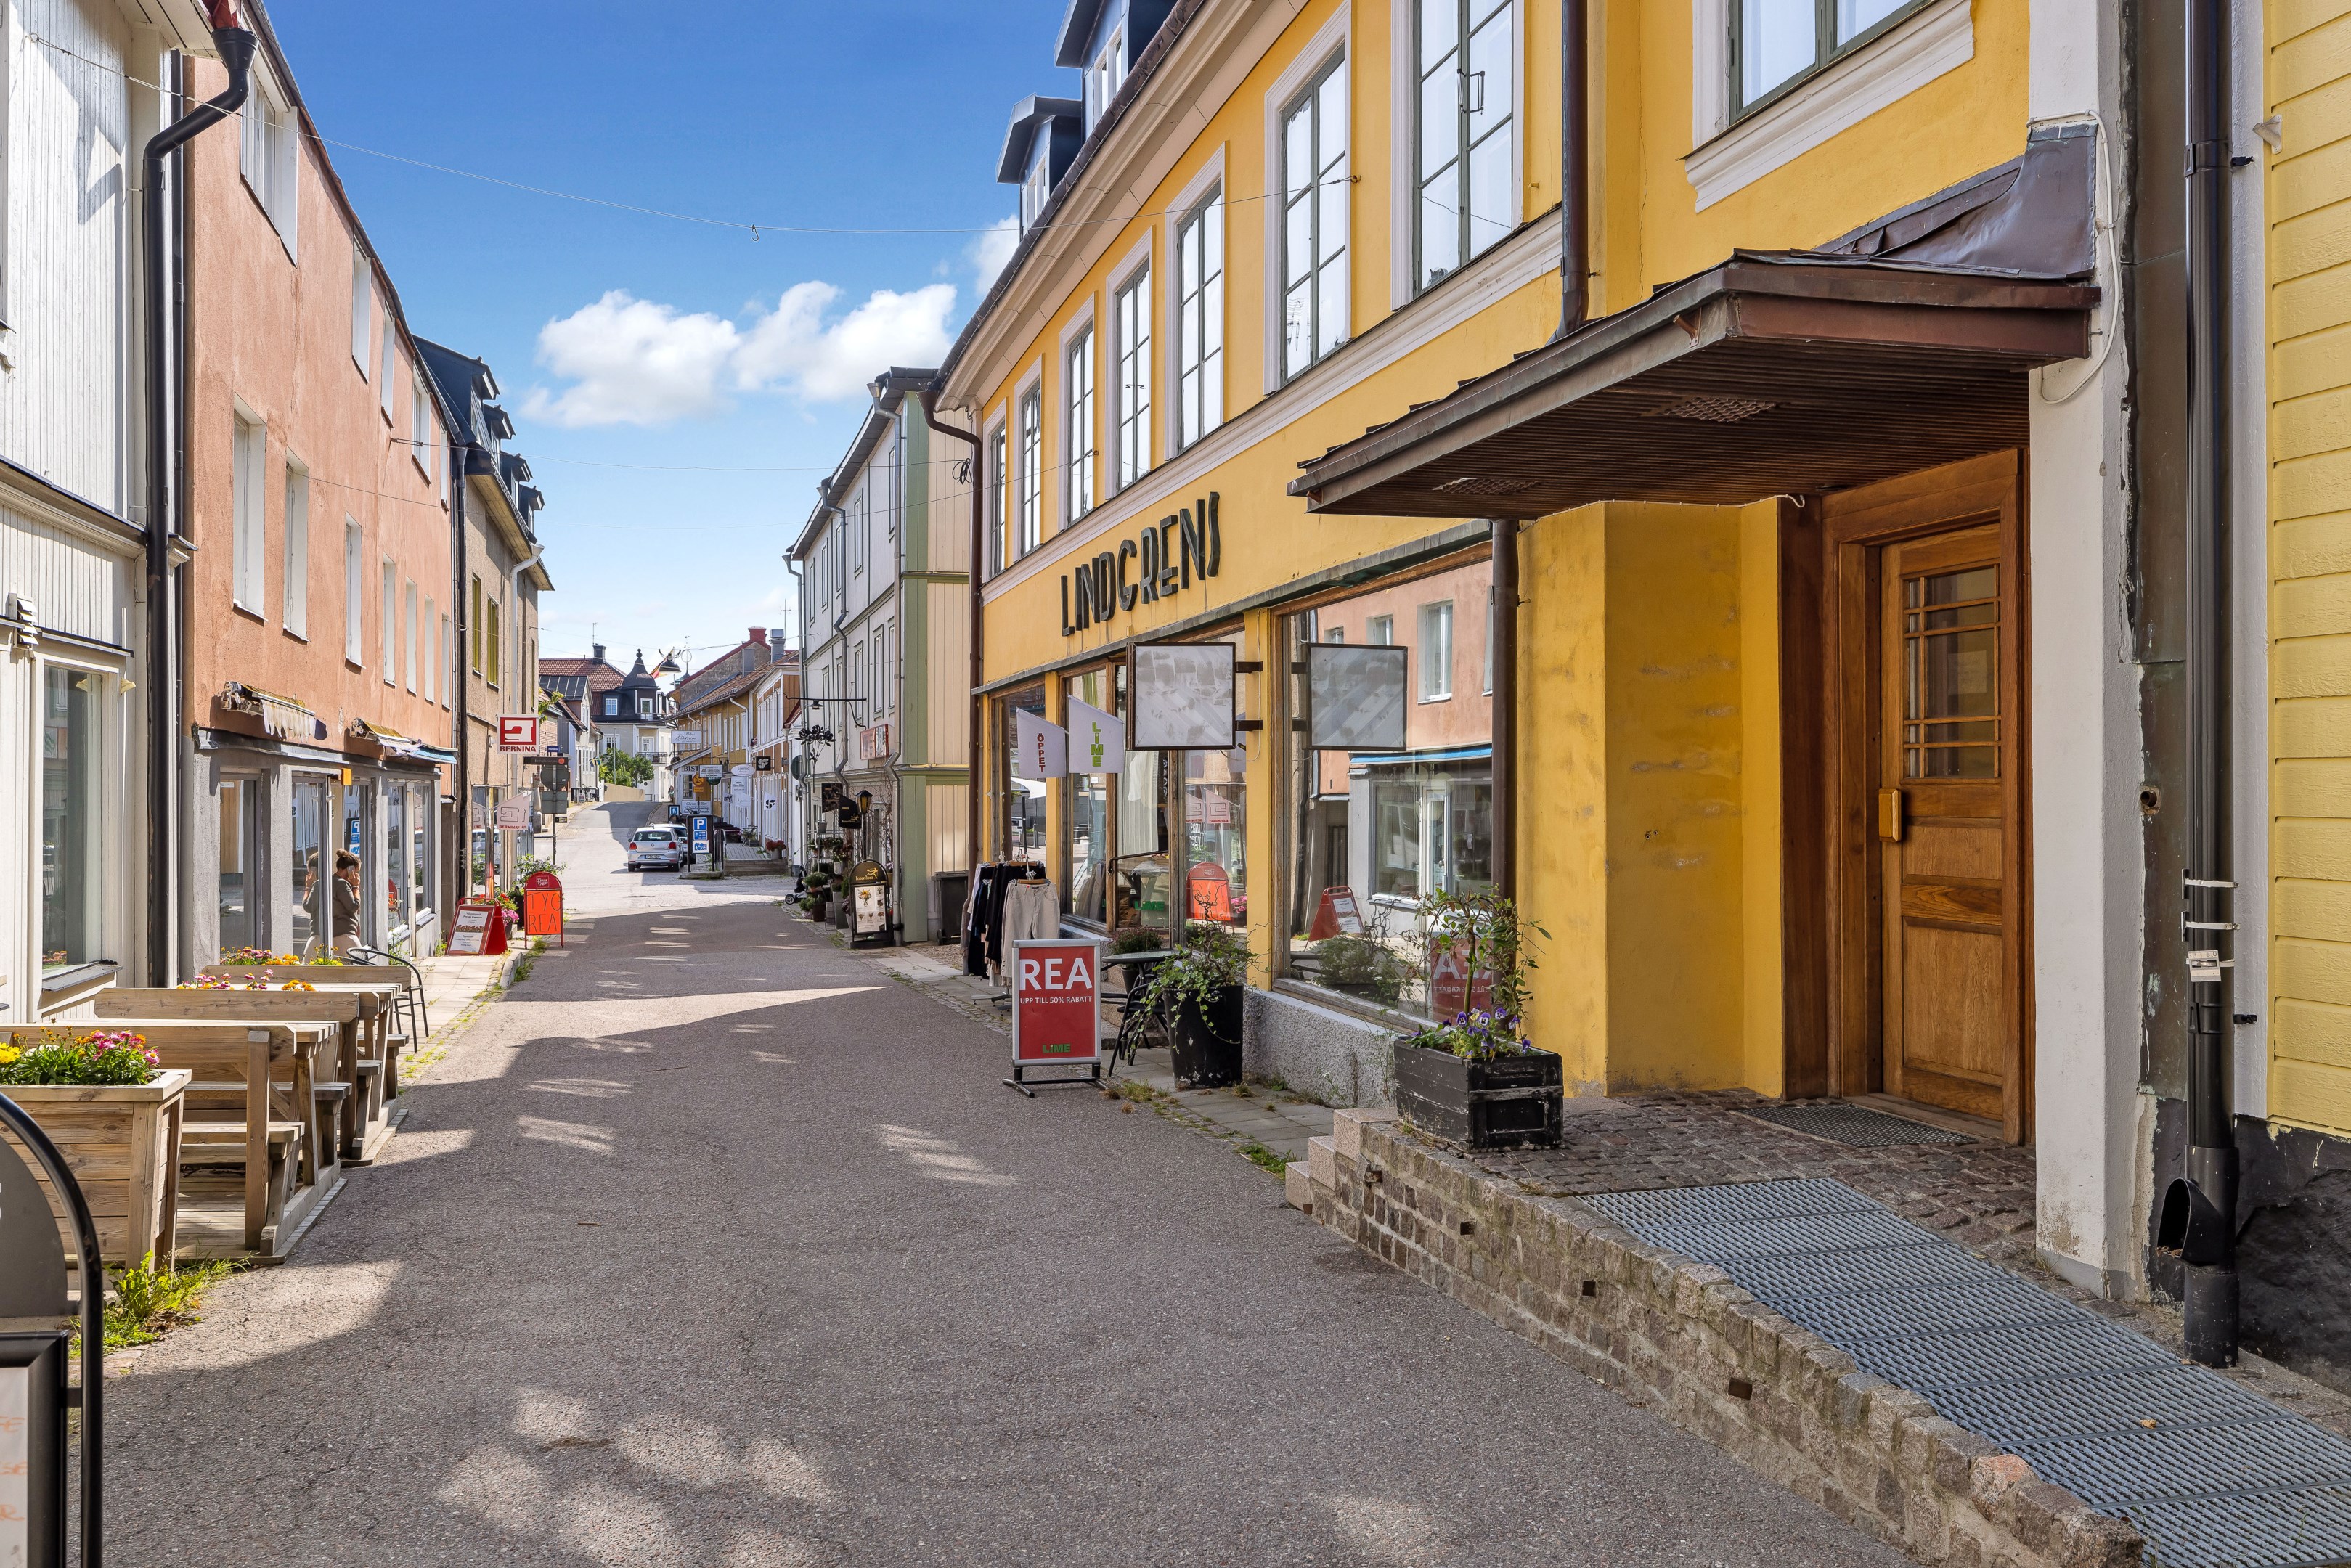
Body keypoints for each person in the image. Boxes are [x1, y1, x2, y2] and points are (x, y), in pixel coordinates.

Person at [331, 851, 363, 954]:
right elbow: (353, 907)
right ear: (350, 870)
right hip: (344, 935)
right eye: (356, 872)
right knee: (358, 965)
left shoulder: (333, 881)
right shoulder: (342, 884)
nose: (357, 876)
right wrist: (356, 886)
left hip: (338, 933)